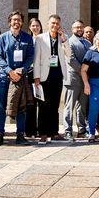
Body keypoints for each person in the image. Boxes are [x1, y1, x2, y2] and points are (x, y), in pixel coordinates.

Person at [0, 10, 35, 146]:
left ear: (22, 22)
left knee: (21, 107)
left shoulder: (27, 38)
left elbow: (30, 57)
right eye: (14, 20)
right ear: (9, 22)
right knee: (1, 106)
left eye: (19, 20)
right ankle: (0, 134)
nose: (16, 22)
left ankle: (20, 135)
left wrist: (21, 70)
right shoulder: (2, 38)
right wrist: (9, 71)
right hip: (5, 78)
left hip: (21, 78)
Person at [33, 15, 71, 144]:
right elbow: (36, 59)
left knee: (55, 105)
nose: (55, 25)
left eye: (57, 23)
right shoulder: (40, 38)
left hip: (58, 76)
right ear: (48, 24)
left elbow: (69, 54)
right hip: (44, 76)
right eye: (53, 23)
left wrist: (64, 39)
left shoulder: (62, 38)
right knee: (44, 105)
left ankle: (54, 132)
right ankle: (43, 132)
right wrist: (36, 77)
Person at [65, 20, 90, 140]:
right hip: (73, 78)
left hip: (85, 80)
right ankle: (68, 130)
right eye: (76, 27)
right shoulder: (69, 42)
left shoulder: (88, 43)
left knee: (82, 106)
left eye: (81, 27)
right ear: (72, 29)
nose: (79, 29)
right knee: (70, 105)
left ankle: (81, 129)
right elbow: (71, 60)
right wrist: (83, 71)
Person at [25, 18, 42, 138]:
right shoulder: (27, 40)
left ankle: (41, 129)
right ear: (30, 27)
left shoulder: (44, 40)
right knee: (30, 103)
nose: (35, 28)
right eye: (33, 26)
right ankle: (30, 130)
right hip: (29, 74)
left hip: (42, 74)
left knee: (41, 103)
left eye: (37, 25)